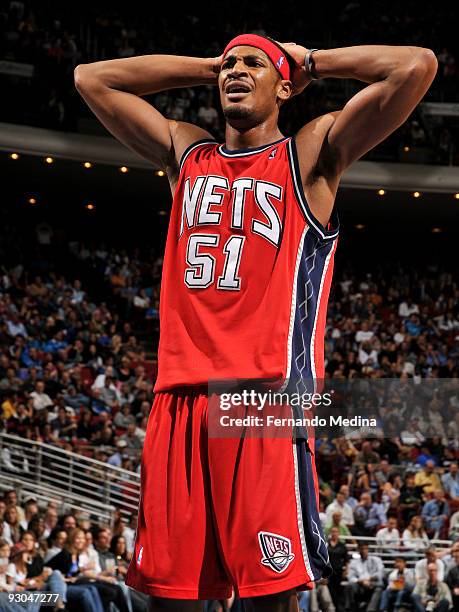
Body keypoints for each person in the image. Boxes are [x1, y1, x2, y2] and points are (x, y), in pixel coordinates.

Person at [75, 30, 437, 611]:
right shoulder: (187, 153)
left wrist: (314, 61)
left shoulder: (309, 154)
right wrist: (207, 66)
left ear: (285, 85)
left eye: (252, 64)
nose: (235, 71)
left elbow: (415, 66)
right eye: (229, 65)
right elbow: (92, 78)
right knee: (171, 597)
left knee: (268, 598)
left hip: (262, 397)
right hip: (178, 398)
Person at [344, 542, 384, 611]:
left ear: (368, 550)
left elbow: (380, 573)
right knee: (350, 586)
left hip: (372, 583)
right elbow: (350, 577)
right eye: (362, 549)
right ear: (358, 550)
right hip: (360, 584)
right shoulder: (354, 562)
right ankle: (350, 609)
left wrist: (369, 579)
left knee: (379, 586)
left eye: (366, 549)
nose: (364, 551)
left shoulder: (376, 560)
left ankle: (370, 610)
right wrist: (360, 581)